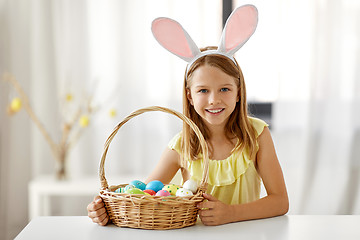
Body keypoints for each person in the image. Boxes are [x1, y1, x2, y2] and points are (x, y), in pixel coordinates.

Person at [87, 4, 288, 226]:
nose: (214, 100)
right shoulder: (181, 146)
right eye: (203, 90)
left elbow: (280, 202)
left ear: (238, 93)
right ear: (189, 96)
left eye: (225, 89)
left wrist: (231, 213)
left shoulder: (257, 135)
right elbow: (143, 197)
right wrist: (105, 211)